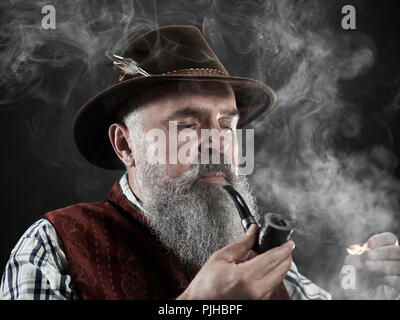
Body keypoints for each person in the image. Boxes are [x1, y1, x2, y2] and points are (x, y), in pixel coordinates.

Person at [1, 25, 399, 300]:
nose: (217, 144)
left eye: (227, 124)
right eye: (187, 125)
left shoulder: (262, 264)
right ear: (126, 146)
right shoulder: (53, 248)